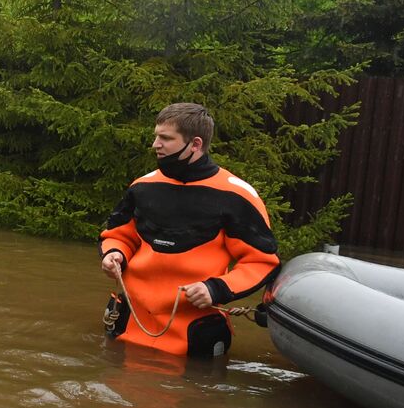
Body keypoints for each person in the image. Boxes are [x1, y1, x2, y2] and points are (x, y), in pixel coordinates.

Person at [99, 102, 280, 358]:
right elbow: (119, 235)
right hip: (128, 323)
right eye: (156, 136)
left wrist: (215, 289)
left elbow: (262, 262)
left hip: (192, 337)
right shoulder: (142, 187)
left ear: (195, 144)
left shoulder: (236, 195)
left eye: (165, 138)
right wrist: (114, 254)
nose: (155, 145)